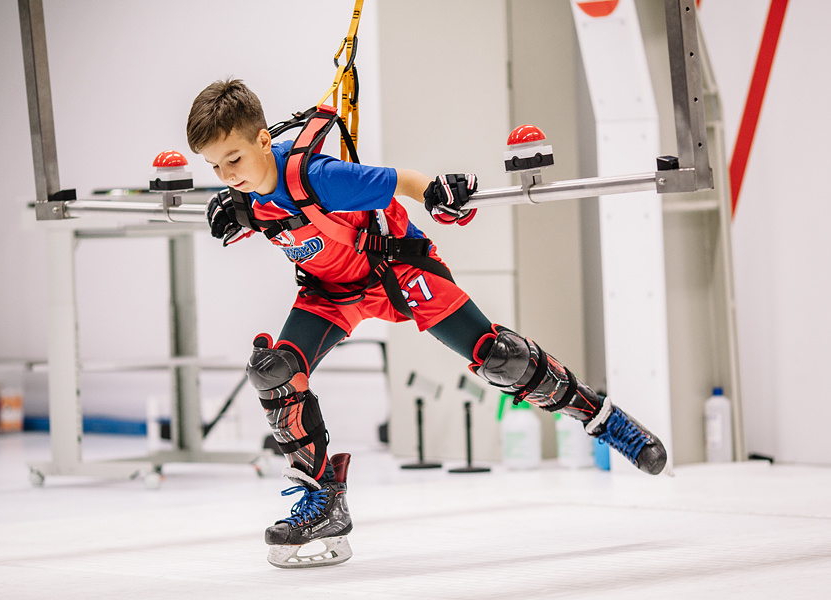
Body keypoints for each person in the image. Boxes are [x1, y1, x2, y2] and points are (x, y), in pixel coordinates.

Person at [186, 78, 667, 569]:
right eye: (215, 166)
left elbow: (403, 181)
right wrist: (235, 211)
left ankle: (606, 420)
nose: (227, 175)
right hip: (330, 294)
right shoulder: (248, 196)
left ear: (264, 140)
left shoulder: (317, 176)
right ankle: (324, 502)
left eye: (234, 160)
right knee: (273, 371)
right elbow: (260, 208)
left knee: (501, 357)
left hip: (398, 272)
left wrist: (439, 193)